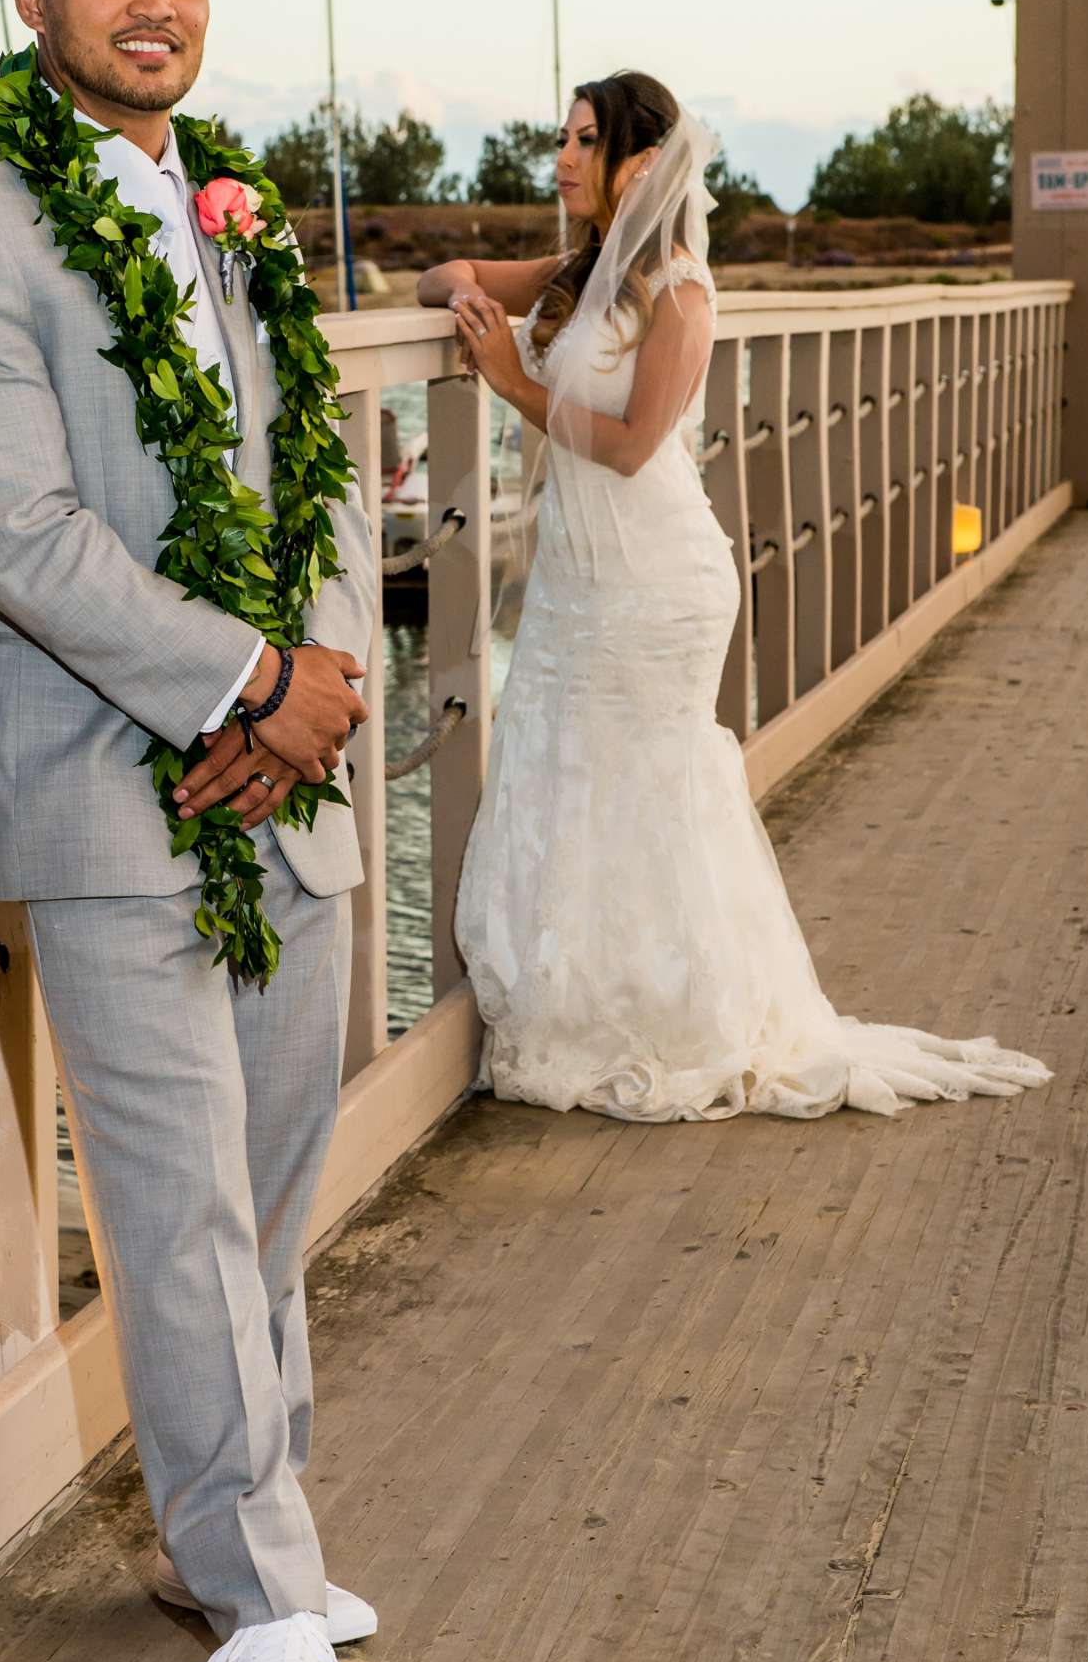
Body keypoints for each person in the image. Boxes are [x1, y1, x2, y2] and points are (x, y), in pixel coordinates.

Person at [0, 0, 378, 1662]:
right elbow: (12, 530)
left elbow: (313, 471)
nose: (151, 2)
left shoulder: (235, 215)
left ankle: (238, 1536)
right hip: (103, 787)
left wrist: (313, 689)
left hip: (284, 775)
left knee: (267, 1203)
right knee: (168, 1210)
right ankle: (256, 1594)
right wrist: (243, 680)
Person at [418, 70, 1050, 1123]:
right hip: (578, 583)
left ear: (641, 161)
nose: (562, 159)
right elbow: (449, 271)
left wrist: (508, 379)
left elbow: (627, 447)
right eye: (561, 140)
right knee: (562, 776)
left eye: (585, 141)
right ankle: (575, 1008)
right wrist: (463, 298)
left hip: (656, 581)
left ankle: (684, 1018)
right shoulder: (578, 271)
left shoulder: (681, 292)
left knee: (648, 790)